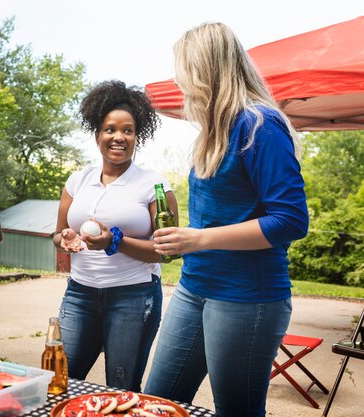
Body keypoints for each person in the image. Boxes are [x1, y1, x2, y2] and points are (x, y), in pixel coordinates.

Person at [143, 23, 309, 417]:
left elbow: (290, 221)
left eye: (184, 69)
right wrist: (185, 241)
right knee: (157, 402)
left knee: (236, 411)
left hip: (246, 296)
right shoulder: (213, 131)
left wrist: (198, 239)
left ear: (205, 70)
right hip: (194, 286)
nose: (181, 81)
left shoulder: (259, 125)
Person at [53, 80, 177, 391]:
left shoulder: (154, 185)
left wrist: (115, 241)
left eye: (128, 130)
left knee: (122, 388)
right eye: (110, 129)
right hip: (79, 294)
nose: (118, 137)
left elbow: (167, 251)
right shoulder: (77, 180)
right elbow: (57, 234)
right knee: (61, 382)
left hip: (133, 298)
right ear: (97, 135)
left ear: (137, 136)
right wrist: (64, 238)